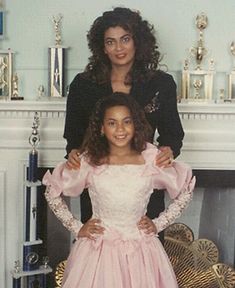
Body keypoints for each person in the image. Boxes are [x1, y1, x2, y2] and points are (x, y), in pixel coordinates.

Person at [43, 93, 195, 288]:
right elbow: (52, 191)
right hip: (98, 251)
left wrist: (159, 223)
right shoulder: (90, 161)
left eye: (126, 121)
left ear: (135, 124)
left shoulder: (151, 158)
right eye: (112, 123)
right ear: (101, 128)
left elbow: (186, 190)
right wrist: (77, 227)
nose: (120, 129)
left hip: (141, 251)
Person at [64, 7, 184, 241]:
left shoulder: (161, 84)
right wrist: (74, 154)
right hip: (101, 188)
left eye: (125, 39)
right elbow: (74, 138)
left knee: (145, 262)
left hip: (143, 188)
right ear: (102, 47)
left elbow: (173, 135)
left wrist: (169, 150)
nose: (119, 48)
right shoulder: (82, 85)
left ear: (138, 41)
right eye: (111, 42)